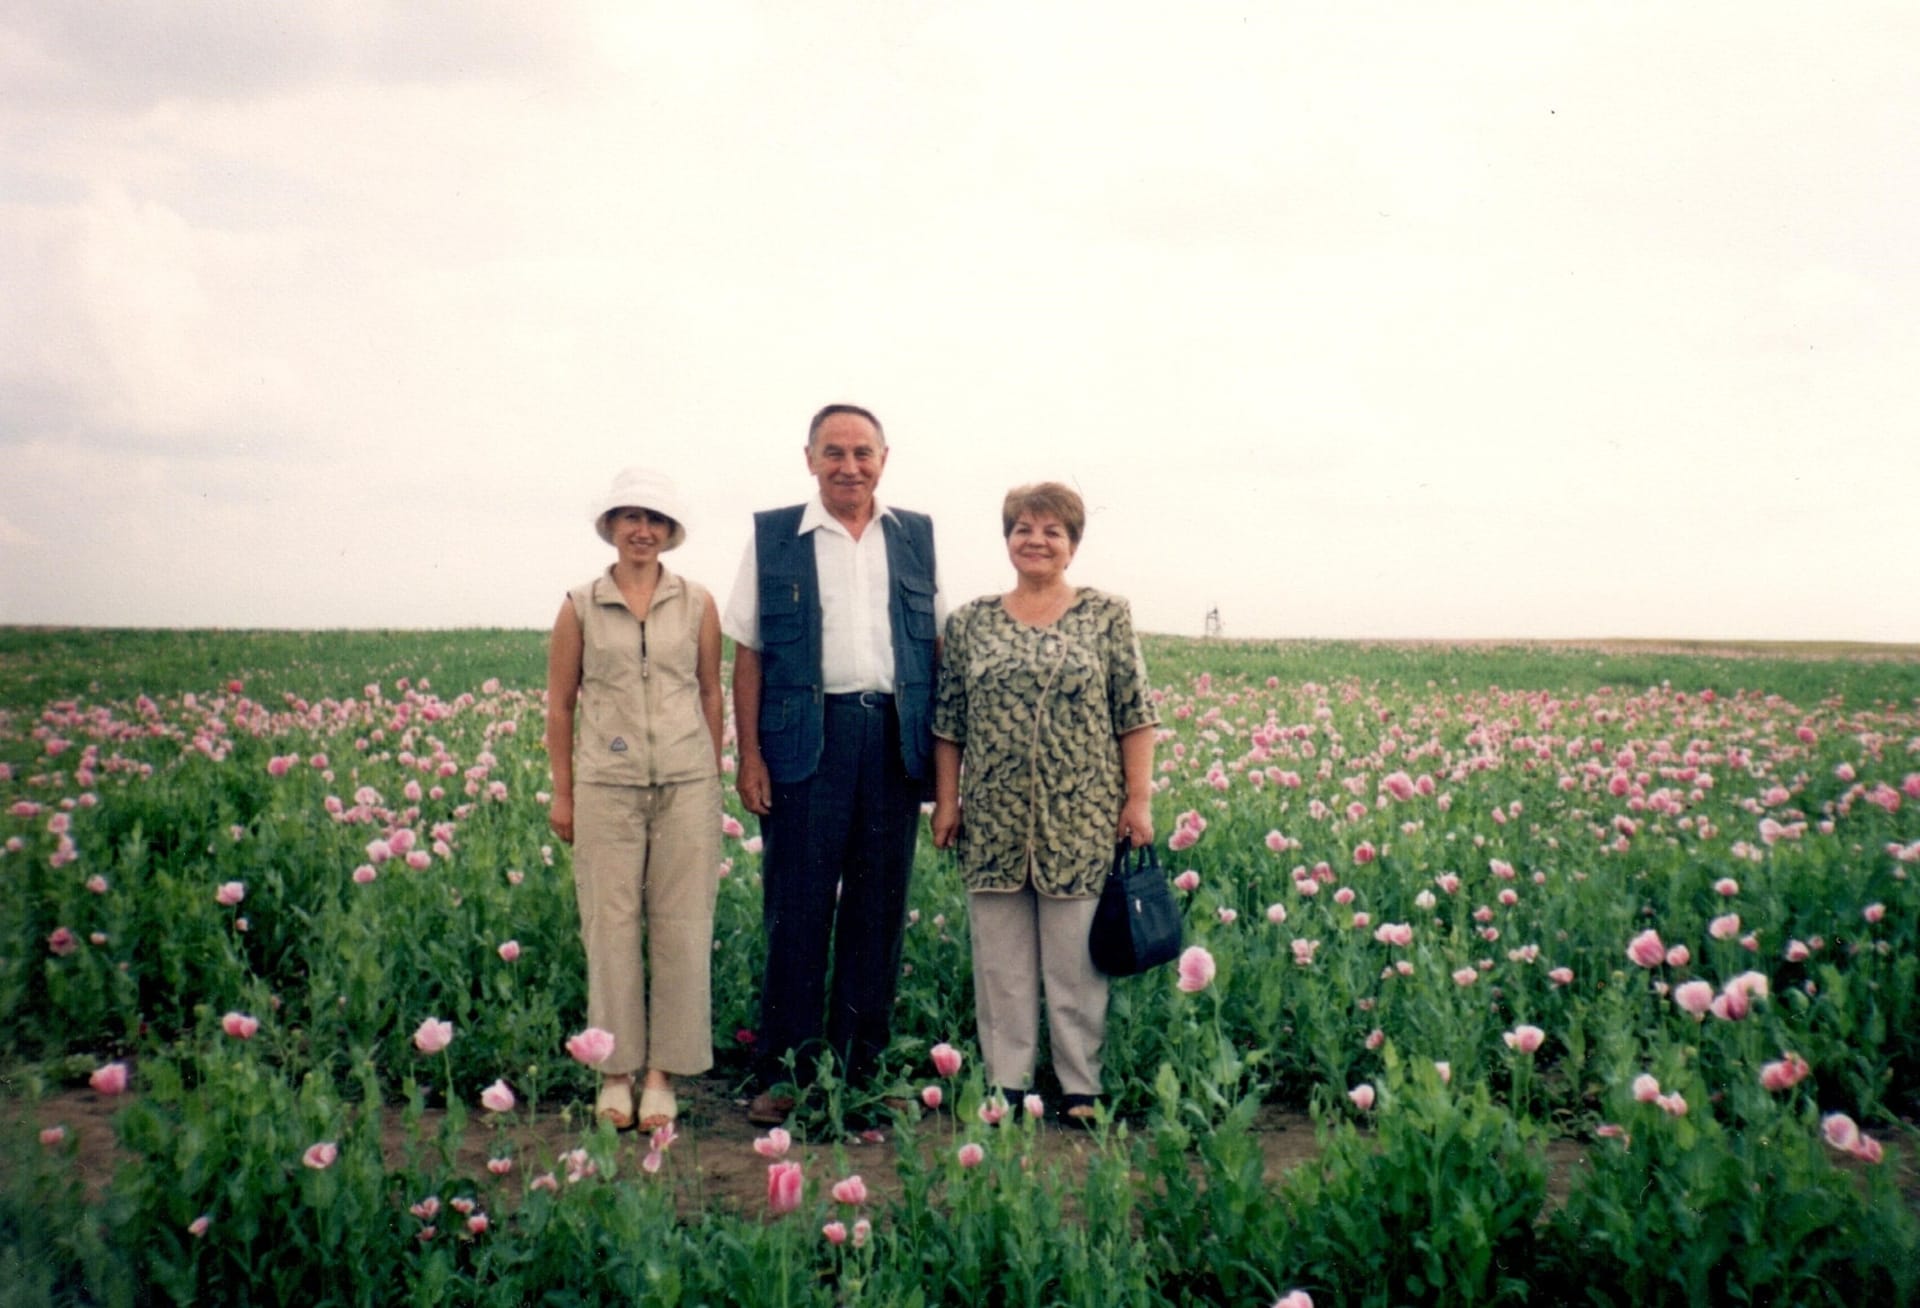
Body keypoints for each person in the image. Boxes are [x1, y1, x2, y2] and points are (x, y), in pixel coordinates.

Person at [724, 403, 943, 1125]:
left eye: (862, 452)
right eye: (834, 452)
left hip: (891, 742)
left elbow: (936, 650)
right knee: (797, 909)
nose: (849, 466)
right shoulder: (774, 538)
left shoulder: (915, 537)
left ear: (884, 458)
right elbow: (749, 653)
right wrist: (750, 754)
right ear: (810, 459)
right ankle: (784, 1071)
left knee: (878, 913)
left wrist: (944, 765)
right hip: (803, 744)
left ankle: (861, 1070)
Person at [930, 482, 1158, 1124]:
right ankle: (1006, 1084)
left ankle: (1081, 1086)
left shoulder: (1106, 614)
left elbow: (1135, 714)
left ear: (1072, 544)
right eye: (1023, 529)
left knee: (1076, 961)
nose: (1036, 541)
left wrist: (1138, 799)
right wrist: (946, 802)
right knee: (999, 961)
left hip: (1081, 815)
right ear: (1007, 540)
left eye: (1052, 531)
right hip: (993, 818)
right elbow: (948, 722)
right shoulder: (970, 622)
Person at [545, 468, 724, 1133]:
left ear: (670, 531)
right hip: (606, 787)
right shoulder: (580, 605)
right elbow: (560, 706)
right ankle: (616, 1073)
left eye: (654, 519)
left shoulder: (697, 603)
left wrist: (710, 771)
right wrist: (564, 793)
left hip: (686, 786)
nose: (642, 530)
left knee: (683, 927)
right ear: (612, 527)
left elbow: (710, 692)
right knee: (610, 927)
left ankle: (662, 1077)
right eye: (630, 517)